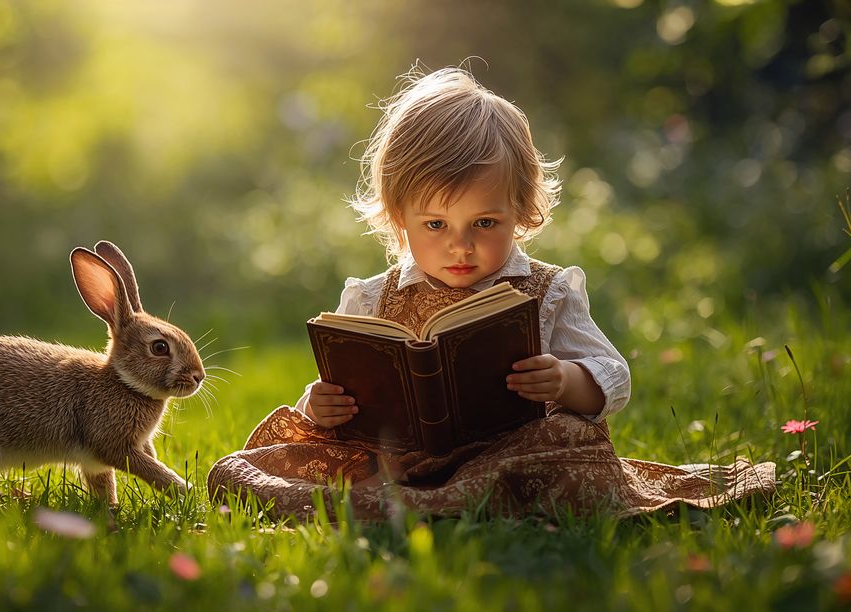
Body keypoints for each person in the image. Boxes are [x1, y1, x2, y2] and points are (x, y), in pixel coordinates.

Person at [207, 66, 774, 520]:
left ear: (520, 212)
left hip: (512, 452)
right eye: (435, 226)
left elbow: (613, 373)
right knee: (254, 470)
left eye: (485, 223)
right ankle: (418, 497)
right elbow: (341, 390)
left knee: (567, 448)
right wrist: (322, 405)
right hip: (395, 458)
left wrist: (566, 379)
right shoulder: (371, 298)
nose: (461, 248)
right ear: (398, 216)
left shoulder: (547, 291)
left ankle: (448, 501)